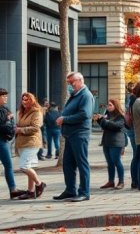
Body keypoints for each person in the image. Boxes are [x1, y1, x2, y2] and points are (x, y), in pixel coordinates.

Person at [54, 72, 94, 202]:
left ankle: (84, 192)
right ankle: (70, 190)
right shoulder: (75, 95)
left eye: (72, 82)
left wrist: (64, 119)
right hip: (71, 135)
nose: (70, 85)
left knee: (82, 163)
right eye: (68, 83)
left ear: (80, 80)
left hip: (79, 134)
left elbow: (85, 114)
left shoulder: (86, 95)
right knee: (67, 164)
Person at [14, 92, 46, 200]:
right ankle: (30, 191)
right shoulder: (20, 112)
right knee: (30, 166)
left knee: (24, 166)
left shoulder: (37, 112)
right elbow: (17, 125)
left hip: (32, 142)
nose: (24, 102)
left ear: (32, 100)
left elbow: (36, 127)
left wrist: (20, 130)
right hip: (22, 142)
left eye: (27, 100)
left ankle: (40, 183)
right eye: (23, 99)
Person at [1, 88, 28, 200]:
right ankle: (13, 190)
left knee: (8, 166)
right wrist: (8, 122)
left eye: (6, 96)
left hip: (5, 140)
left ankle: (13, 190)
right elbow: (4, 126)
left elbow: (11, 124)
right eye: (3, 96)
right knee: (8, 165)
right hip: (1, 141)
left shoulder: (5, 108)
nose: (6, 97)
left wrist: (10, 122)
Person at [96, 99, 127, 190]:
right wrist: (99, 119)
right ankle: (111, 181)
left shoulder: (120, 116)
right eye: (108, 105)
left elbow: (116, 126)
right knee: (109, 163)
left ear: (115, 106)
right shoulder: (107, 115)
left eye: (110, 105)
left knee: (116, 161)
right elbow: (104, 126)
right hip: (106, 141)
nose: (108, 107)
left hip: (116, 142)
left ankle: (121, 182)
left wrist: (105, 120)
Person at [124, 82, 136, 156]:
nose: (131, 87)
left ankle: (123, 147)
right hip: (131, 122)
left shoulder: (130, 96)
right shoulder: (131, 96)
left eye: (132, 86)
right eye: (130, 86)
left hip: (130, 121)